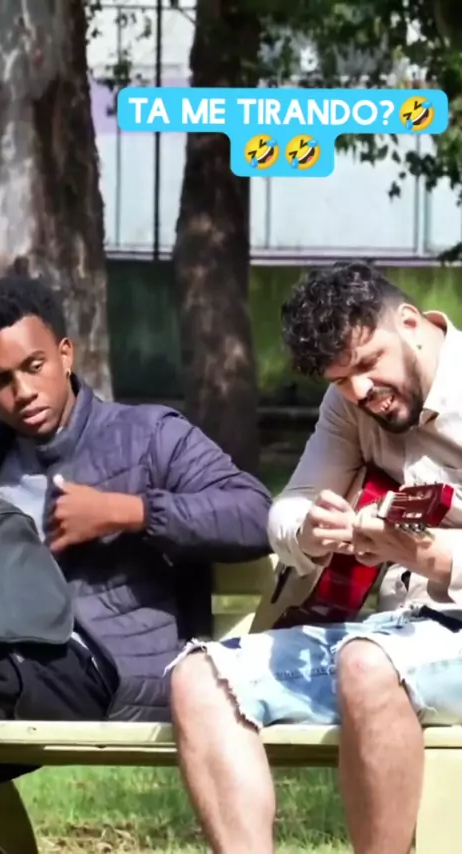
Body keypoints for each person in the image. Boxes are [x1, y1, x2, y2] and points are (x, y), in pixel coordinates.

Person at [169, 260, 462, 854]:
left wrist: (437, 560)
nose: (360, 392)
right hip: (398, 635)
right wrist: (310, 530)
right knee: (200, 678)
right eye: (340, 379)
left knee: (367, 663)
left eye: (368, 364)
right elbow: (288, 509)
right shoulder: (350, 403)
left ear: (410, 323)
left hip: (401, 647)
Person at [0, 273, 272, 784]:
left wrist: (129, 512)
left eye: (33, 366)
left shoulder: (147, 435)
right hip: (3, 656)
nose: (22, 392)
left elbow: (256, 514)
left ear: (65, 355)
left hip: (108, 664)